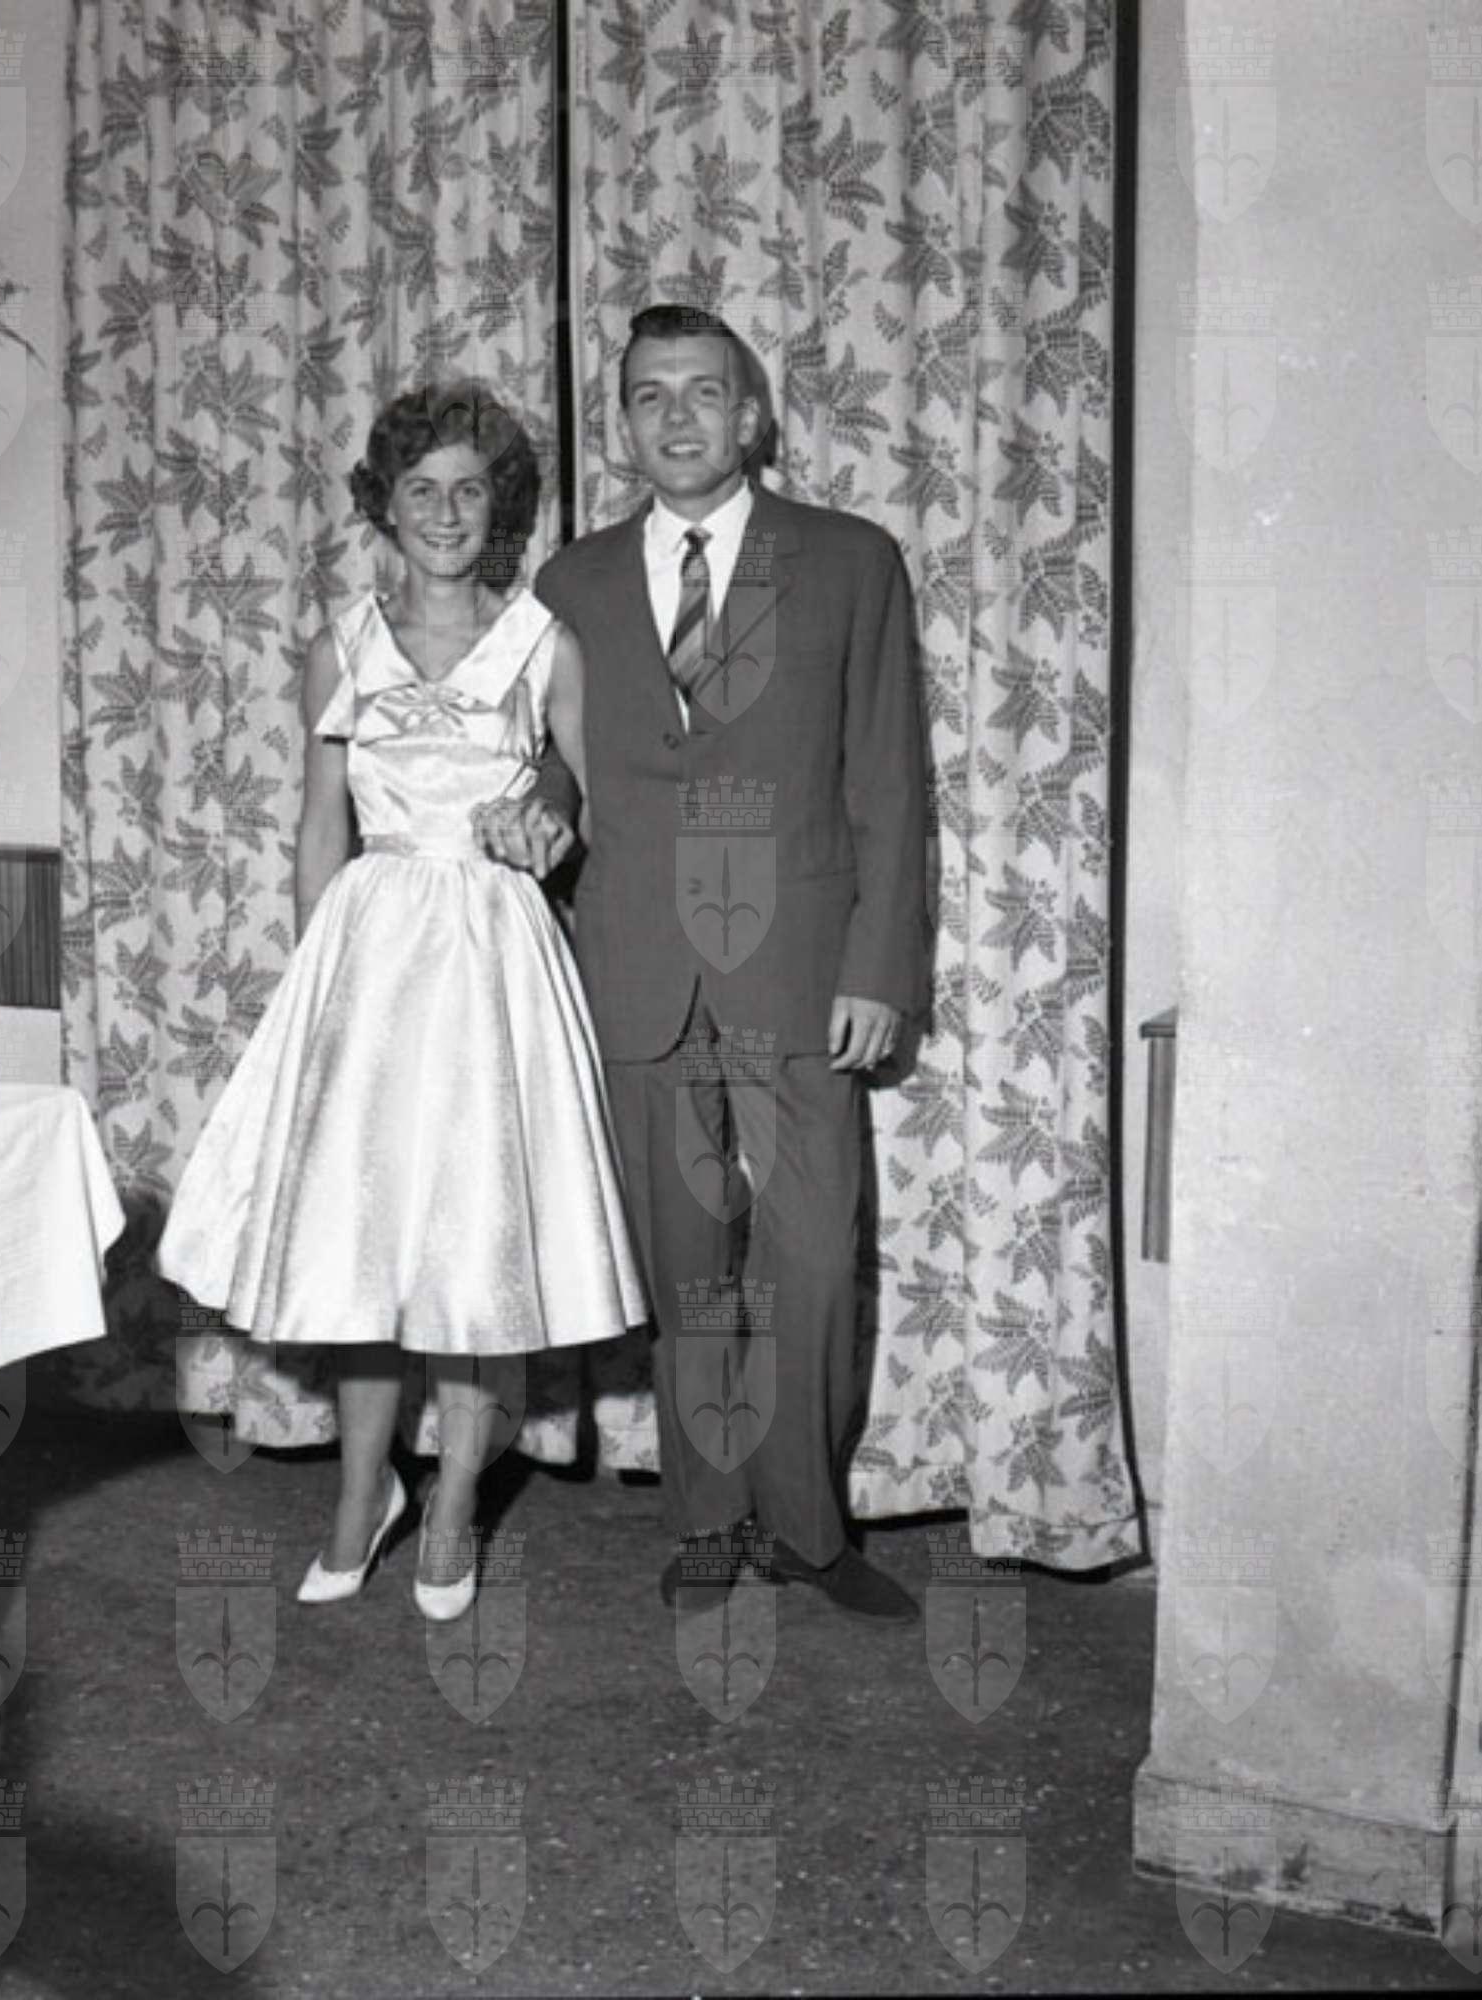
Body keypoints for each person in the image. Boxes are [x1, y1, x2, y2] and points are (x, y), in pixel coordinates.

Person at [158, 383, 646, 1621]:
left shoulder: (545, 644)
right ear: (383, 504)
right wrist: (315, 988)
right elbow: (320, 828)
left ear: (500, 507)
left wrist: (550, 822)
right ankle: (359, 1493)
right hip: (371, 964)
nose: (444, 510)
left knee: (472, 1248)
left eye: (468, 488)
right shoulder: (343, 646)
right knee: (363, 1247)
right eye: (419, 488)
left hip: (491, 961)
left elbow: (589, 806)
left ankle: (453, 1502)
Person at [479, 304, 930, 1619]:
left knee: (811, 1264)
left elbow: (887, 779)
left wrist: (878, 968)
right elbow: (555, 762)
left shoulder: (849, 561)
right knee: (687, 1264)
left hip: (800, 967)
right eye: (649, 395)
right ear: (623, 424)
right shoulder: (569, 583)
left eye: (702, 391)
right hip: (637, 964)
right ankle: (706, 1518)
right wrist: (538, 810)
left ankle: (808, 1529)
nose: (676, 416)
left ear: (749, 415)